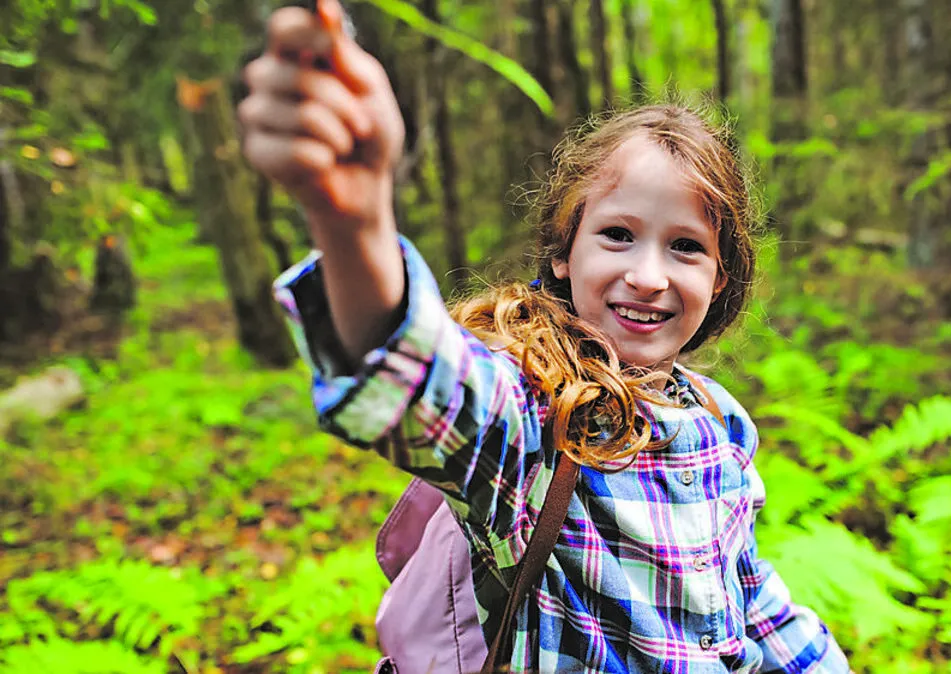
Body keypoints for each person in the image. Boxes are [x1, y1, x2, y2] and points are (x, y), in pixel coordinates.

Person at [239, 0, 852, 671]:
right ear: (564, 251)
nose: (648, 277)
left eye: (685, 246)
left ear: (720, 276)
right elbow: (426, 389)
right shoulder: (538, 413)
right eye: (617, 235)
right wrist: (353, 222)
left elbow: (751, 602)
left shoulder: (721, 425)